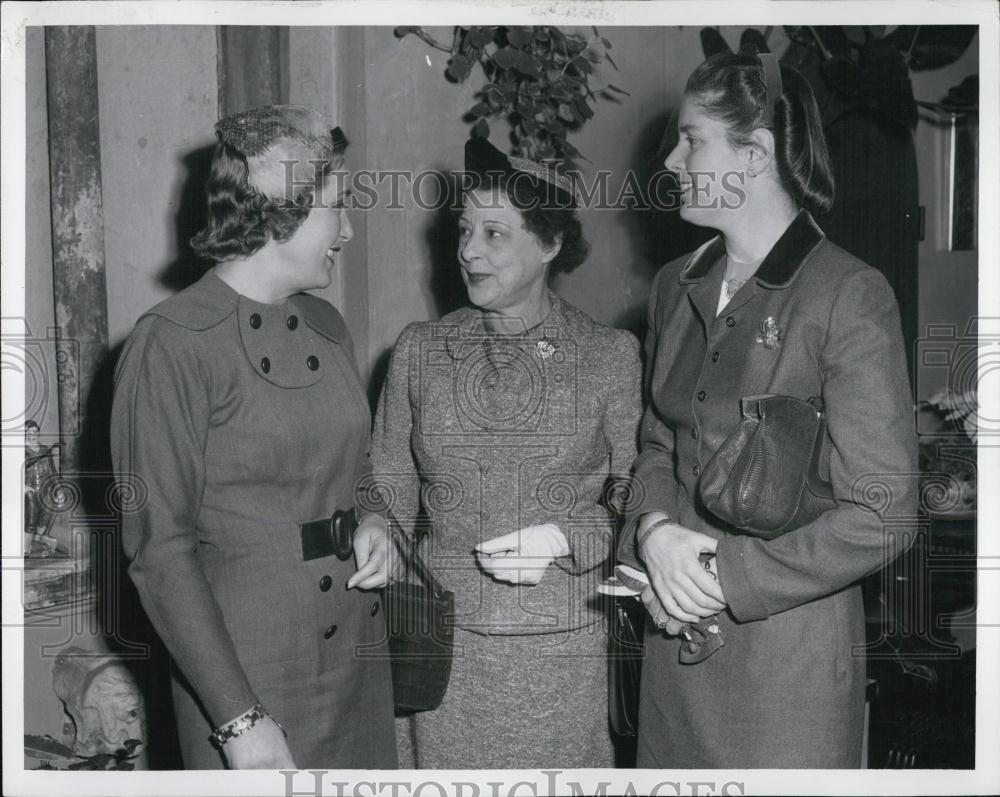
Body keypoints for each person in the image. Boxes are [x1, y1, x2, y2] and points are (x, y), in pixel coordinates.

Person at [619, 49, 918, 768]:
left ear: (755, 155)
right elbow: (658, 444)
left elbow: (884, 514)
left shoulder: (847, 294)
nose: (669, 160)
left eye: (691, 139)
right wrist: (653, 528)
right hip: (673, 672)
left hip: (786, 685)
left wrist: (726, 575)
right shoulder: (674, 286)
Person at [111, 105, 397, 770]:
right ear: (280, 214)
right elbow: (160, 551)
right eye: (336, 207)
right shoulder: (172, 345)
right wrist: (240, 719)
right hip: (247, 681)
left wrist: (374, 518)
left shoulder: (327, 323)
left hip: (355, 665)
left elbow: (355, 468)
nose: (348, 230)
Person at [371, 137, 642, 768]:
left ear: (548, 246)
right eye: (465, 230)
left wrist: (567, 537)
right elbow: (385, 479)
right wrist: (375, 526)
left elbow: (637, 497)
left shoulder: (607, 356)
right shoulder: (420, 350)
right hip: (441, 651)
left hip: (558, 655)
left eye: (495, 233)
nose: (468, 250)